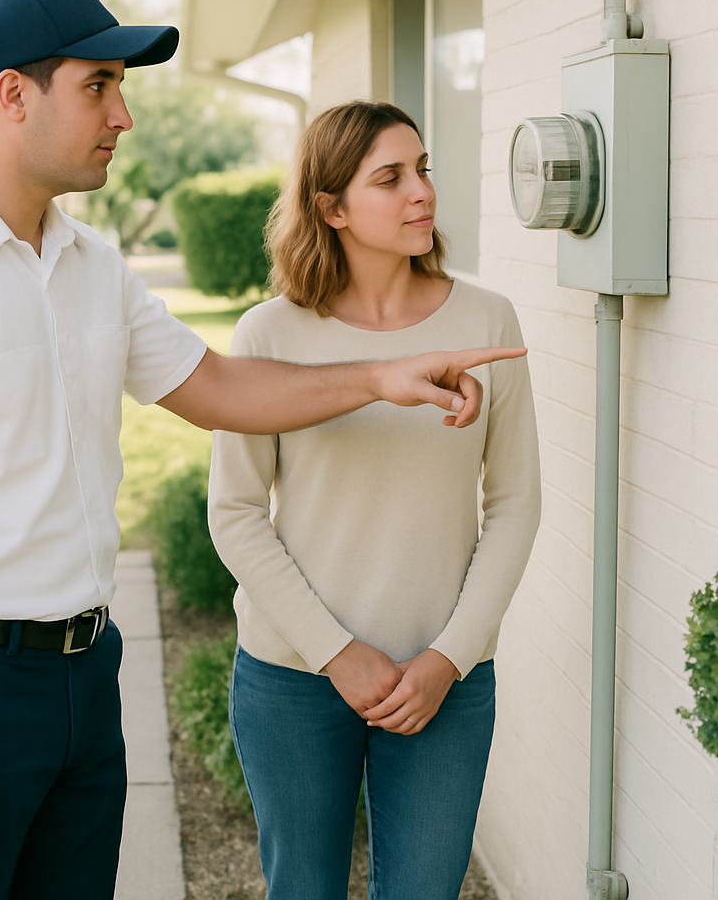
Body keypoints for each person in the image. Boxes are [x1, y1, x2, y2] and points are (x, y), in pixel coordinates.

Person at [0, 0, 525, 900]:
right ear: (14, 95)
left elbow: (218, 386)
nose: (123, 115)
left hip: (83, 682)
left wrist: (379, 377)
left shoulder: (94, 267)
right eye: (98, 85)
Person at [208, 100, 542, 900]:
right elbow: (236, 514)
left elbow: (517, 504)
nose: (421, 191)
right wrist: (336, 652)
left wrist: (448, 657)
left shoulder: (486, 319)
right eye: (390, 178)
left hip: (445, 681)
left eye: (422, 168)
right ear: (332, 208)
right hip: (294, 677)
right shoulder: (269, 336)